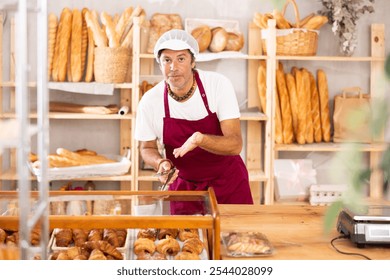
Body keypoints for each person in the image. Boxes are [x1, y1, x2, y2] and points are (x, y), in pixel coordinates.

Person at [134, 29, 253, 212]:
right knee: (185, 240)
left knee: (239, 239)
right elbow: (146, 147)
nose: (173, 67)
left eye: (181, 59)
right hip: (184, 188)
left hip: (228, 182)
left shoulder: (218, 85)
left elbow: (235, 144)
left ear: (193, 62)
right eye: (167, 60)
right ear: (159, 64)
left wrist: (201, 140)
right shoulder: (150, 101)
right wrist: (160, 163)